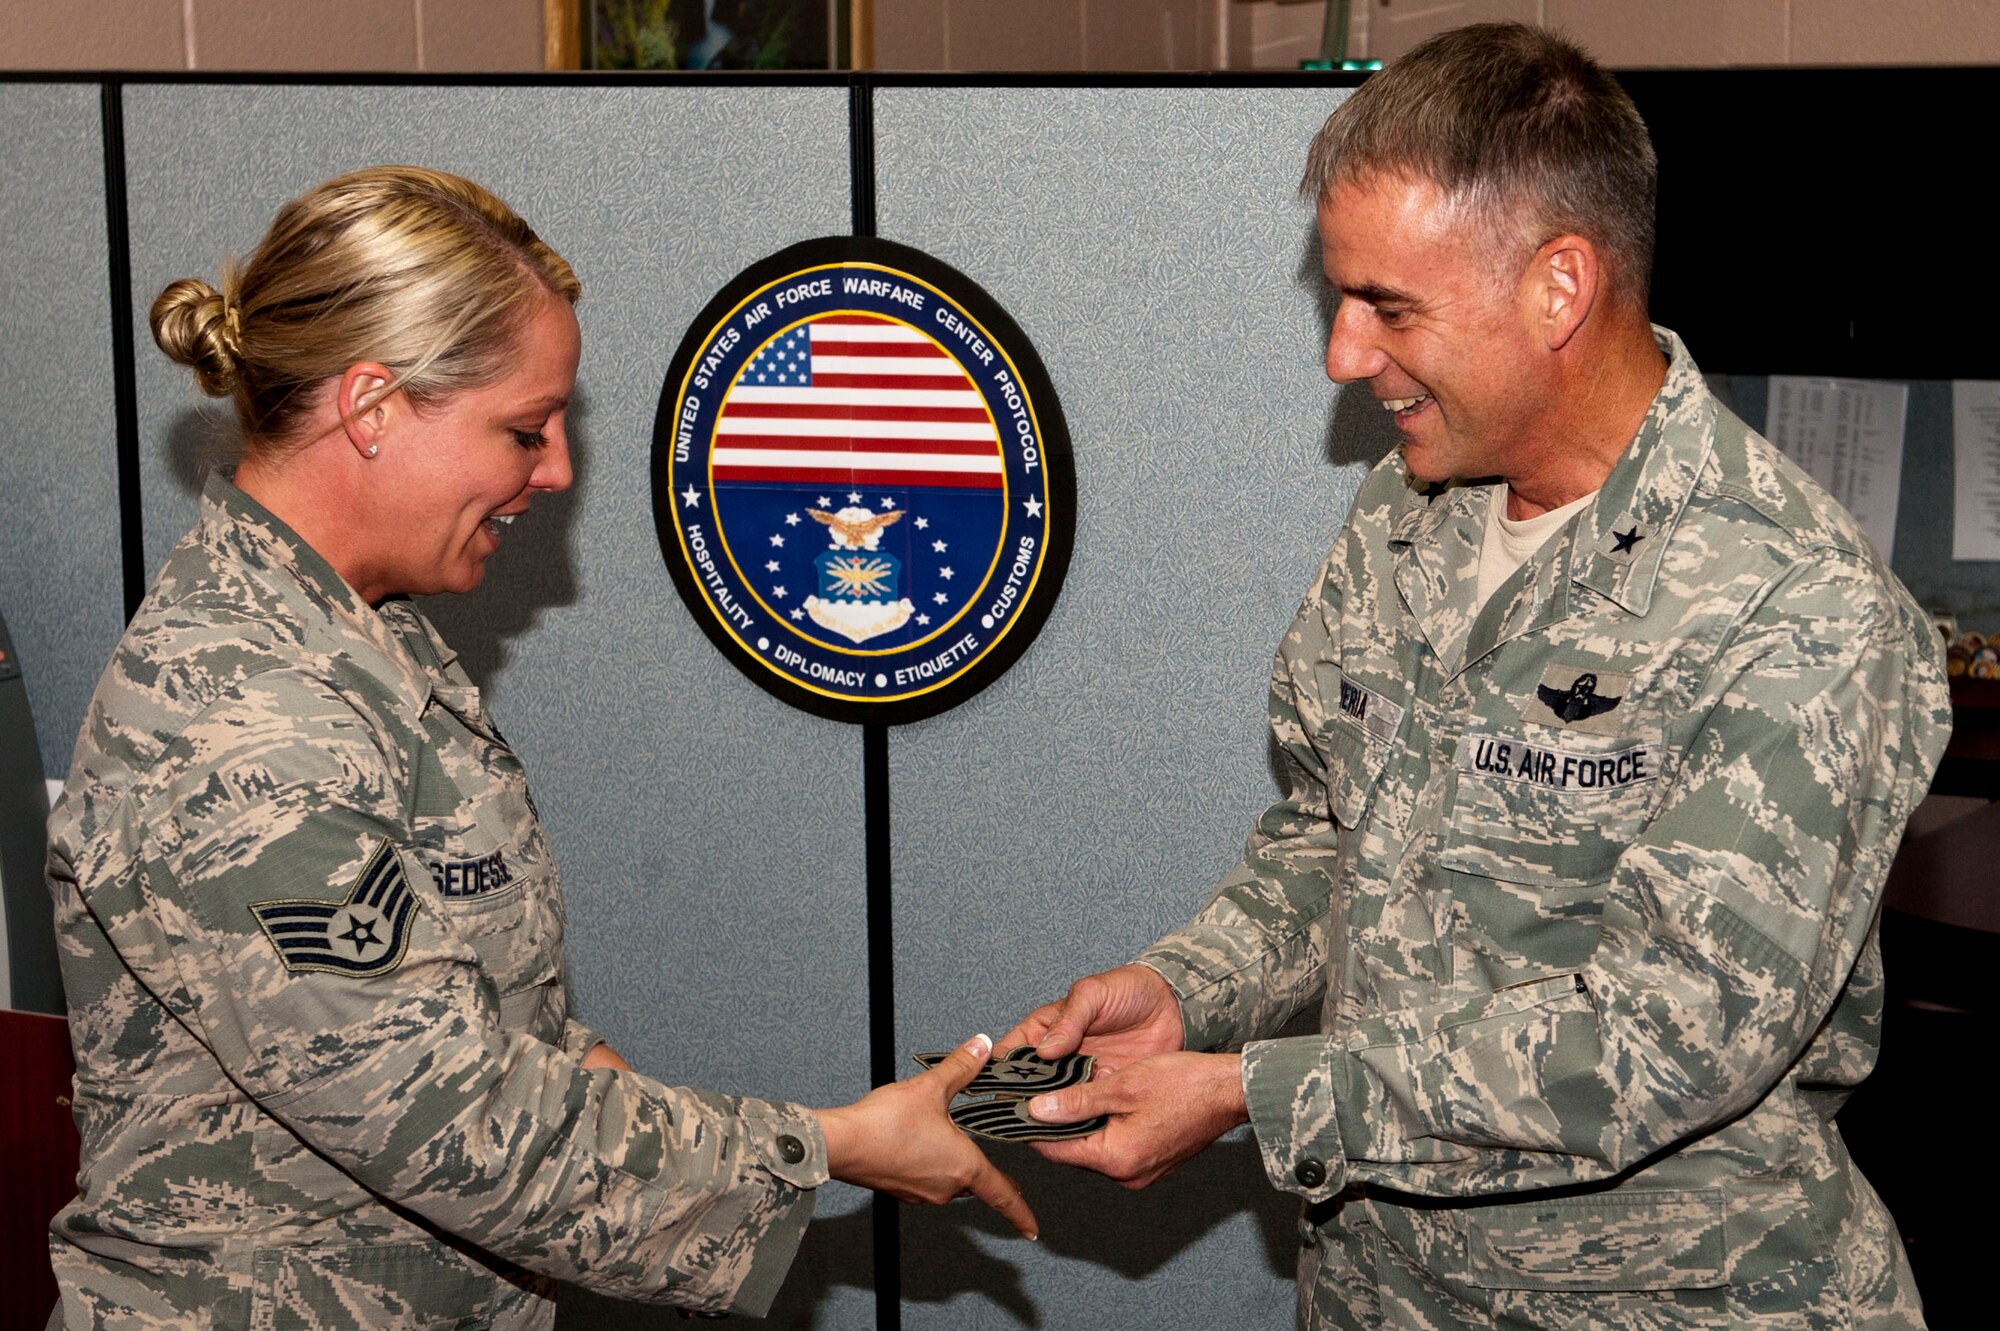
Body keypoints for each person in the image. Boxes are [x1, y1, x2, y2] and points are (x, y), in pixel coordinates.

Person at [1005, 23, 1948, 1331]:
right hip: (1382, 1290)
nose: (1343, 354)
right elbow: (1334, 836)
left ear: (1559, 289)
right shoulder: (1409, 513)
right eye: (1340, 300)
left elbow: (1659, 1038)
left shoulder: (1794, 605)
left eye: (1389, 307)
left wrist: (1248, 1094)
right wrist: (1188, 990)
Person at [45, 165, 1033, 1330]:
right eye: (523, 429)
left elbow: (492, 1018)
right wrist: (825, 1144)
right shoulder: (242, 713)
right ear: (372, 407)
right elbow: (443, 1114)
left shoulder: (359, 636)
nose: (556, 470)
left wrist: (720, 1132)